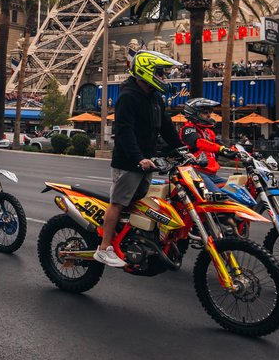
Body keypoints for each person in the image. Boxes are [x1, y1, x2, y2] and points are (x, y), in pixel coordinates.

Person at [95, 50, 184, 268]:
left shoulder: (154, 97)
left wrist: (182, 148)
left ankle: (127, 238)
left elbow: (166, 127)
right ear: (146, 71)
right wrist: (139, 158)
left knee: (136, 203)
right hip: (129, 162)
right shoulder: (128, 96)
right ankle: (104, 248)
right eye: (160, 73)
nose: (164, 78)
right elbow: (124, 132)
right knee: (118, 202)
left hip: (147, 162)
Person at [178, 97, 227, 189]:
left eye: (209, 112)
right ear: (194, 113)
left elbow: (220, 145)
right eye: (205, 113)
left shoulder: (208, 131)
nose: (209, 115)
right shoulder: (187, 129)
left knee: (236, 190)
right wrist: (220, 149)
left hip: (212, 175)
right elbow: (198, 142)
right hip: (195, 172)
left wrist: (239, 153)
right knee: (218, 197)